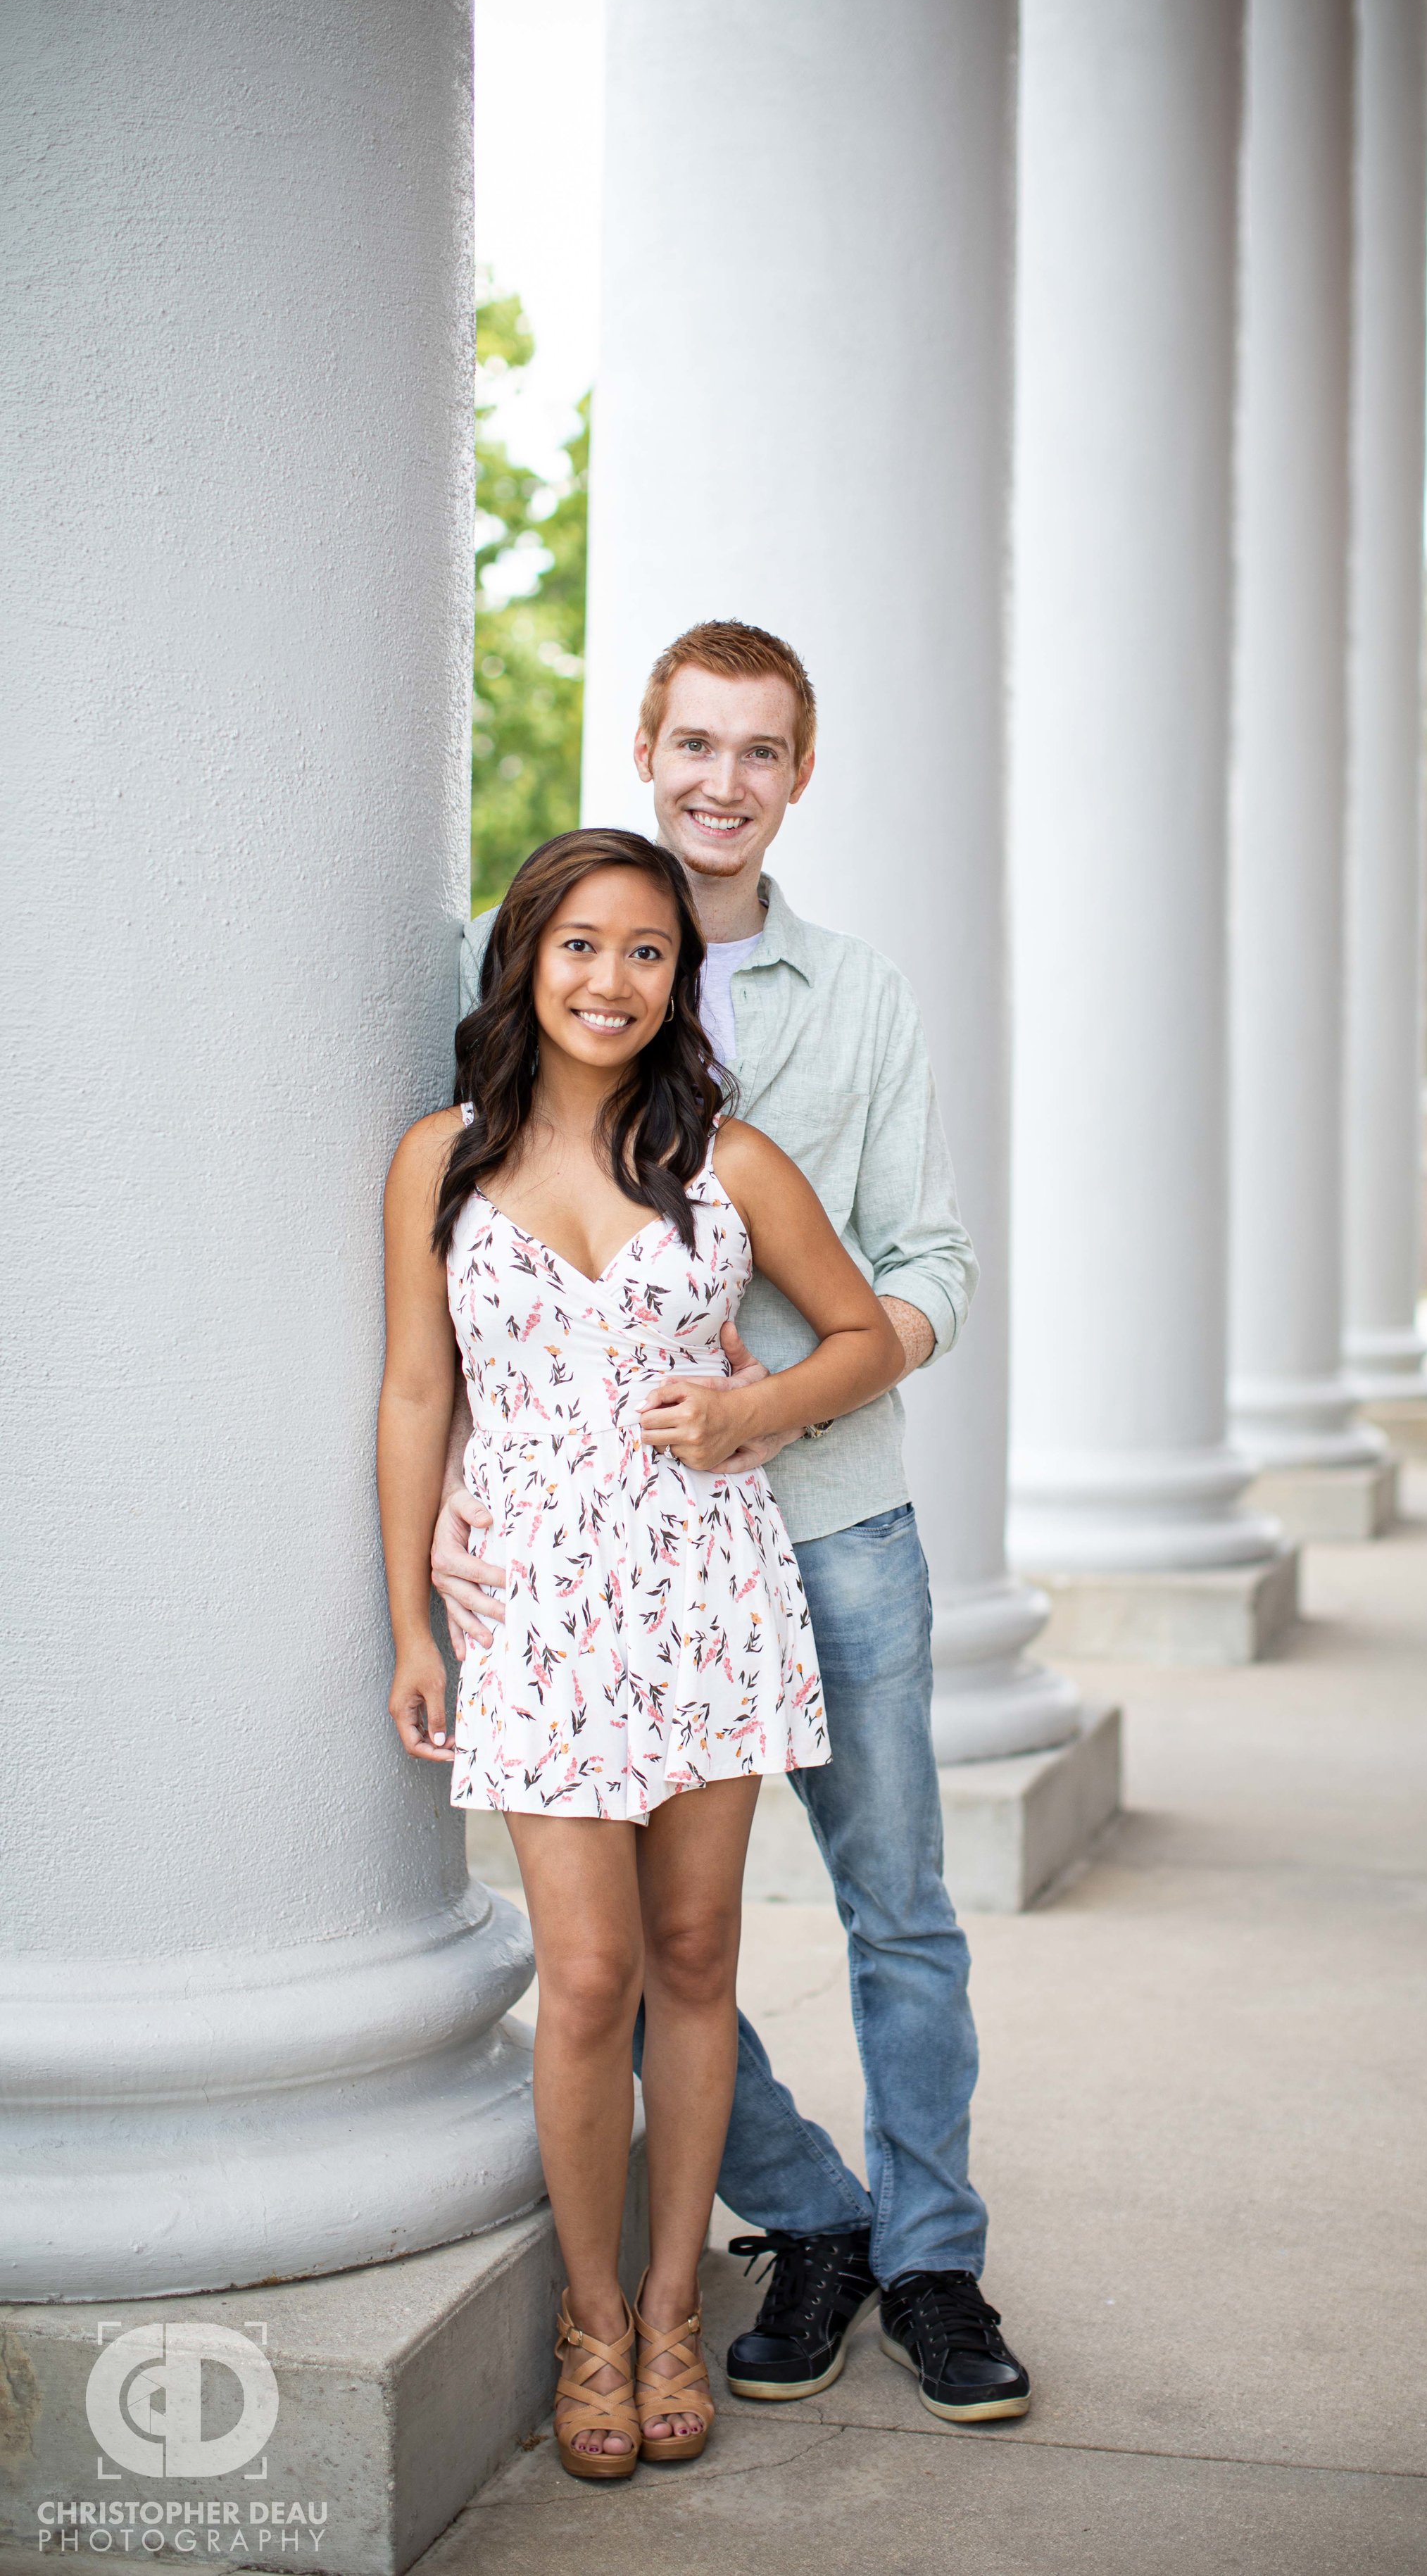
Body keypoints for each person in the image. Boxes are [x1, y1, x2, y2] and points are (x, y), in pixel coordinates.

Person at [436, 620, 1035, 2425]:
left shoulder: (856, 1000)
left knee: (893, 1905)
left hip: (829, 1521)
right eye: (691, 743)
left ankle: (929, 2262)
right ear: (645, 745)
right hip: (591, 1569)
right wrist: (472, 1476)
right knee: (638, 1949)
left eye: (757, 751)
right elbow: (469, 1242)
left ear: (797, 775)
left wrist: (771, 1407)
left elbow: (925, 1263)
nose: (720, 780)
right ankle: (804, 2213)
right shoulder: (571, 947)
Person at [377, 826, 904, 2478]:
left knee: (693, 1961)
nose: (612, 980)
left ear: (681, 981)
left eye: (648, 953)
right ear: (526, 961)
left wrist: (753, 1406)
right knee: (586, 1974)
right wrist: (408, 1617)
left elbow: (869, 1335)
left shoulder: (728, 1163)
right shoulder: (440, 1163)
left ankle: (673, 2309)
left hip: (706, 1602)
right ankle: (586, 2318)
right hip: (534, 1615)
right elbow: (414, 1393)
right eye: (581, 946)